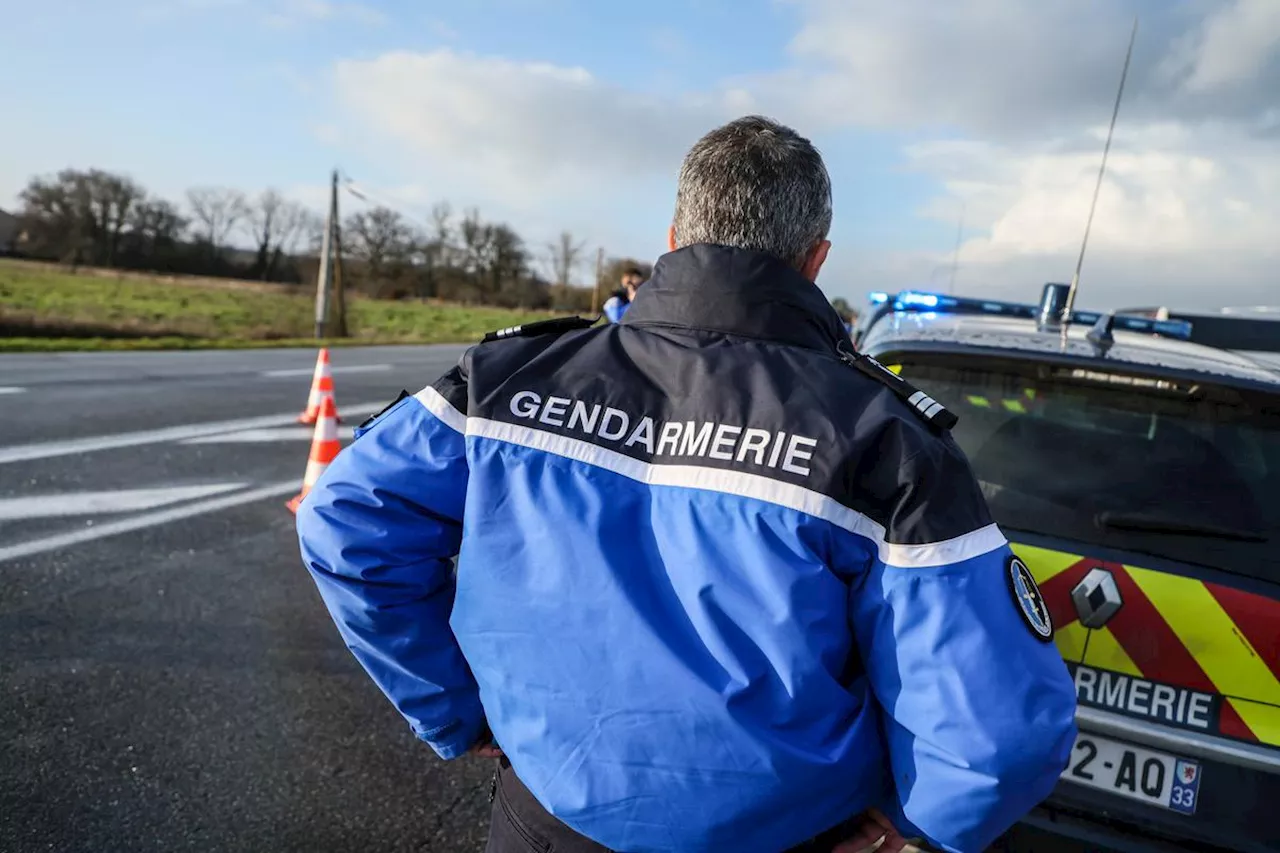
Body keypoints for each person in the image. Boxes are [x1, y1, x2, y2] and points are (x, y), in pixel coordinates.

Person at [295, 115, 1077, 853]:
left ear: (674, 239)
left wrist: (455, 708)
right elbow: (999, 731)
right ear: (815, 259)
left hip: (541, 822)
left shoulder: (506, 379)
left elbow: (345, 517)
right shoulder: (885, 440)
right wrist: (911, 818)